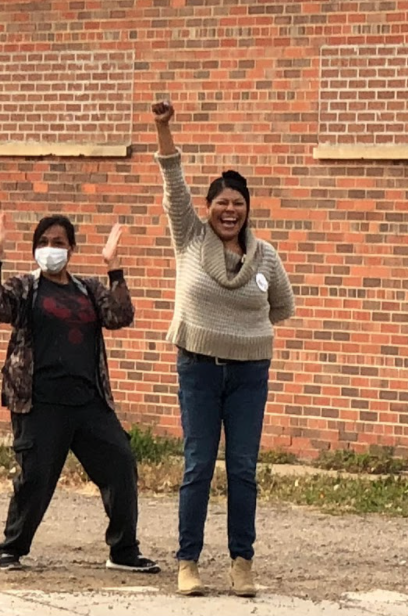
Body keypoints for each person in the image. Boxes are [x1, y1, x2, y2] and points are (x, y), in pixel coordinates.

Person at [151, 100, 296, 597]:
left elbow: (283, 307)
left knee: (242, 469)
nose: (229, 209)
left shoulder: (266, 256)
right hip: (198, 367)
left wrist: (245, 331)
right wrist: (162, 128)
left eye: (238, 202)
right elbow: (173, 183)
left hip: (250, 374)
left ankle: (242, 562)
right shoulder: (190, 238)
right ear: (209, 209)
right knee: (197, 464)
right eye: (221, 202)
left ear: (248, 208)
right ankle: (187, 562)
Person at [0, 212, 158, 574]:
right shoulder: (25, 289)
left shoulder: (87, 289)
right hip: (39, 402)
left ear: (72, 248)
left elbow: (120, 315)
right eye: (43, 243)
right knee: (36, 477)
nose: (50, 249)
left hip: (89, 402)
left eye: (58, 243)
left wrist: (115, 267)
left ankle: (123, 551)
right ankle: (11, 548)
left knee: (121, 464)